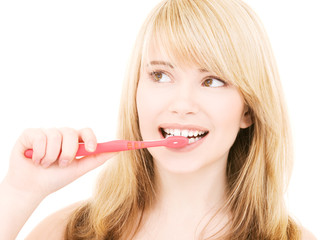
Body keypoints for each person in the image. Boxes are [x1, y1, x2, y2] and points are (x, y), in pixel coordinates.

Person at [0, 0, 317, 239]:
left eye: (213, 81)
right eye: (161, 75)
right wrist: (18, 193)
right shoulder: (67, 232)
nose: (182, 104)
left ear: (247, 110)